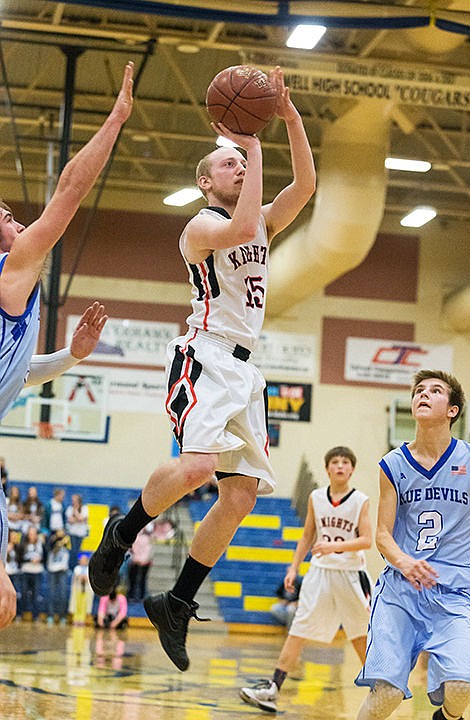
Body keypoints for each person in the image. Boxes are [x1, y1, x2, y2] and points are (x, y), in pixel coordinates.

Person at [89, 65, 316, 672]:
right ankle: (123, 531)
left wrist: (288, 118)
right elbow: (243, 224)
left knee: (240, 497)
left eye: (239, 162)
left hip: (247, 370)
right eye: (227, 163)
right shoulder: (203, 226)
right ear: (203, 180)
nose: (237, 166)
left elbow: (305, 187)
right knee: (197, 468)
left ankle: (178, 600)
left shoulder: (259, 219)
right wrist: (253, 142)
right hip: (206, 352)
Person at [0, 60, 134, 630]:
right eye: (6, 217)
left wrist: (73, 357)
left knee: (5, 603)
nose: (18, 221)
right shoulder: (11, 271)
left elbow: (18, 373)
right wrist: (116, 119)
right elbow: (70, 188)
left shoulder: (13, 296)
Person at [355, 370, 470, 720]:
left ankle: (446, 717)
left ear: (453, 410)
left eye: (435, 391)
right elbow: (382, 533)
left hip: (455, 591)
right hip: (401, 591)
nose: (423, 395)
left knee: (462, 688)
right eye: (419, 391)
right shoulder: (393, 464)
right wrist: (405, 561)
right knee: (388, 694)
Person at [241, 446, 372, 713]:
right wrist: (293, 568)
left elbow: (367, 540)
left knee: (359, 634)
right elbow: (306, 536)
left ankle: (380, 685)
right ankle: (273, 687)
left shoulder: (361, 500)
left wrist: (335, 547)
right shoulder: (315, 497)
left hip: (350, 572)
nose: (340, 466)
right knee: (298, 627)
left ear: (352, 469)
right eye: (334, 462)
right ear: (327, 469)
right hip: (320, 572)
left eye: (345, 462)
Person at [46, 528, 71, 625]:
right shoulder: (51, 541)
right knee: (51, 594)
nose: (61, 532)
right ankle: (51, 616)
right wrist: (56, 541)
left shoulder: (67, 541)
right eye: (59, 531)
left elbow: (70, 549)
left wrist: (63, 541)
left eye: (62, 531)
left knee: (63, 594)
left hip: (62, 571)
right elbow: (50, 548)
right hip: (52, 570)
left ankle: (62, 616)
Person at [66, 494, 89, 570]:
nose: (73, 502)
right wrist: (79, 519)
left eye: (74, 500)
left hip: (81, 533)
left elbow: (82, 518)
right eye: (72, 500)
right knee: (73, 551)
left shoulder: (84, 508)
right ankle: (72, 567)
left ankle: (78, 566)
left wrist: (75, 512)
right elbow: (70, 520)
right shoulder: (69, 509)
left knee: (78, 551)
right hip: (72, 533)